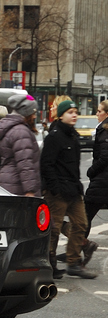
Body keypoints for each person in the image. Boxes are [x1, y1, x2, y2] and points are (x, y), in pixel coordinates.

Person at [40, 100, 96, 279]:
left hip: (73, 190)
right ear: (61, 115)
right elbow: (46, 165)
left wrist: (78, 187)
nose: (74, 115)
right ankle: (49, 263)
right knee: (54, 229)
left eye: (75, 112)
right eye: (70, 112)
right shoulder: (54, 137)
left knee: (81, 224)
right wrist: (55, 188)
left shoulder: (73, 135)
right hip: (57, 192)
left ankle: (73, 262)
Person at [0, 95, 40, 196]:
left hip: (9, 182)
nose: (34, 116)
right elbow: (25, 163)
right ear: (26, 112)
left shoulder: (11, 128)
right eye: (33, 112)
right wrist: (30, 191)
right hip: (18, 187)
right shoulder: (21, 131)